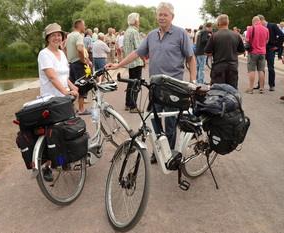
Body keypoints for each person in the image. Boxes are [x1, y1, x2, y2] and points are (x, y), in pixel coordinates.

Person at [105, 2, 196, 162]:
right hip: (155, 86)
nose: (161, 17)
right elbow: (136, 53)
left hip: (173, 87)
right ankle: (159, 150)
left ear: (172, 17)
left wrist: (192, 81)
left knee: (169, 122)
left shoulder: (181, 34)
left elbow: (191, 58)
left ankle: (169, 154)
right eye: (160, 14)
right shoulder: (151, 35)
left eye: (165, 15)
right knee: (152, 120)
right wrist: (118, 65)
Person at [38, 23, 79, 181]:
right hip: (50, 99)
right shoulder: (44, 54)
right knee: (52, 134)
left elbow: (63, 76)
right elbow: (51, 77)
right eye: (53, 35)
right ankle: (46, 166)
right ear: (48, 38)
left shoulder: (62, 53)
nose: (57, 37)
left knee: (66, 131)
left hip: (64, 99)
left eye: (59, 35)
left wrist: (72, 86)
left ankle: (62, 160)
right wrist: (65, 92)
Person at [204, 14, 245, 89]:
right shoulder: (236, 35)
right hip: (233, 66)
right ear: (228, 23)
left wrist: (215, 53)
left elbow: (207, 52)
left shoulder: (214, 36)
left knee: (217, 92)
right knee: (232, 91)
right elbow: (242, 51)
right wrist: (232, 53)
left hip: (219, 66)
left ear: (218, 23)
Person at [65, 19, 92, 115]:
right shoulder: (79, 36)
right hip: (78, 63)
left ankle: (72, 108)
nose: (85, 27)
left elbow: (64, 48)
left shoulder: (69, 36)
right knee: (82, 85)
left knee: (73, 87)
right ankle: (82, 109)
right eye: (84, 25)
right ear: (80, 26)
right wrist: (83, 60)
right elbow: (80, 49)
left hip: (71, 64)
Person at [255, 15, 284, 91]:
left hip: (270, 49)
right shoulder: (259, 28)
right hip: (261, 49)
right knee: (261, 67)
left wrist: (277, 46)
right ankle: (260, 84)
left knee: (270, 67)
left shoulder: (272, 26)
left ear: (262, 19)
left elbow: (281, 35)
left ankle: (271, 85)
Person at [123, 13, 144, 113]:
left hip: (130, 61)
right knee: (136, 84)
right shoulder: (135, 32)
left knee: (130, 82)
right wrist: (144, 60)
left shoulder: (127, 31)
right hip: (136, 61)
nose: (139, 22)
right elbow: (139, 48)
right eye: (138, 20)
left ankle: (128, 103)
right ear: (136, 22)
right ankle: (133, 106)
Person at [244, 16, 269, 94]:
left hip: (253, 51)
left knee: (251, 69)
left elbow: (247, 40)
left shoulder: (251, 28)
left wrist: (244, 38)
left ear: (253, 22)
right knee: (261, 70)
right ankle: (261, 88)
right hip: (262, 52)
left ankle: (251, 88)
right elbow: (267, 41)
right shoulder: (266, 29)